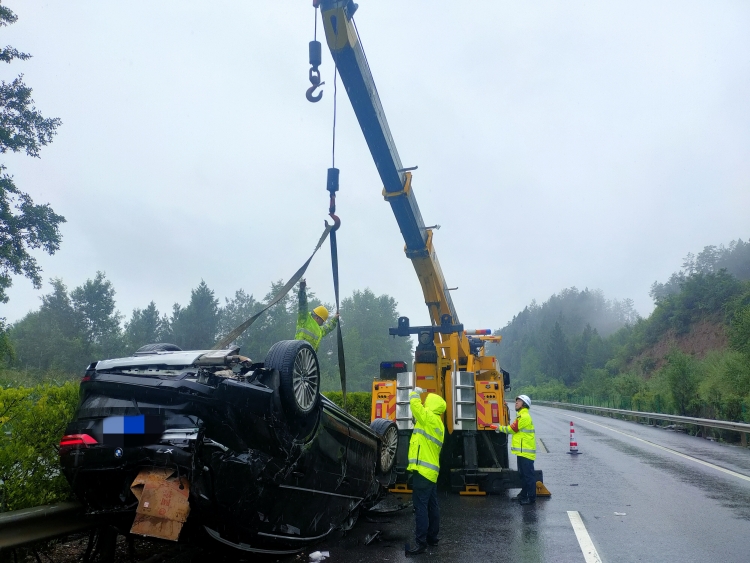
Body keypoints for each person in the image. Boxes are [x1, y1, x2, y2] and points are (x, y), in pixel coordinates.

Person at [405, 386, 446, 556]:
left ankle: (420, 543)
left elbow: (415, 406)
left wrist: (415, 392)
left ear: (431, 404)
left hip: (422, 471)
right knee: (432, 506)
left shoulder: (428, 417)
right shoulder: (439, 423)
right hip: (431, 472)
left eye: (427, 401)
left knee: (420, 507)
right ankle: (432, 538)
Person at [494, 394, 537, 505]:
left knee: (528, 476)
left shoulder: (524, 417)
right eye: (516, 401)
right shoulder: (520, 416)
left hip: (526, 452)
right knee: (523, 475)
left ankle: (531, 498)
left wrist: (498, 428)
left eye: (519, 401)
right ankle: (523, 495)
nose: (516, 403)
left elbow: (513, 429)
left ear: (524, 404)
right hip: (522, 452)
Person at [294, 279, 339, 352]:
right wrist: (302, 291)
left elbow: (328, 327)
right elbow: (303, 304)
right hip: (298, 353)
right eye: (322, 321)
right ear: (318, 318)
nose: (322, 323)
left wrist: (335, 318)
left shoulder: (320, 330)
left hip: (308, 358)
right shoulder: (305, 319)